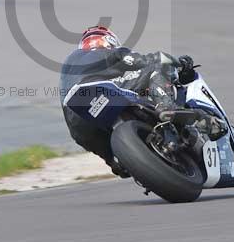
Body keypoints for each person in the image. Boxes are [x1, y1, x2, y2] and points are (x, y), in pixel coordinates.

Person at [59, 25, 201, 177]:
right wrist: (180, 64)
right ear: (109, 41)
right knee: (157, 68)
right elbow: (152, 60)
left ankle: (116, 160)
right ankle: (167, 107)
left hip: (77, 121)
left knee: (118, 165)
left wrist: (114, 160)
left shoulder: (71, 65)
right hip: (98, 90)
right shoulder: (109, 52)